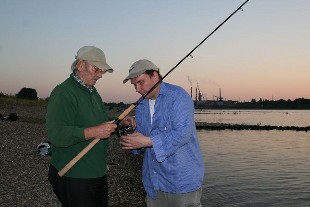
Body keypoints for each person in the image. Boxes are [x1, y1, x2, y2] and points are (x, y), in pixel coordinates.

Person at [46, 46, 133, 207]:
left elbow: (98, 120)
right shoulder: (64, 92)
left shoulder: (92, 92)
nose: (100, 75)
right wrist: (92, 132)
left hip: (98, 173)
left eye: (102, 71)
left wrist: (118, 121)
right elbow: (56, 133)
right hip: (74, 175)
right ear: (80, 65)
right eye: (96, 69)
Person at [120, 59, 205, 207]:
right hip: (154, 184)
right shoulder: (141, 105)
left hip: (182, 183)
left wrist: (147, 141)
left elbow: (182, 133)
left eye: (140, 82)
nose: (137, 89)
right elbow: (141, 140)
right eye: (134, 85)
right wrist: (130, 133)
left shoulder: (179, 97)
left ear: (155, 75)